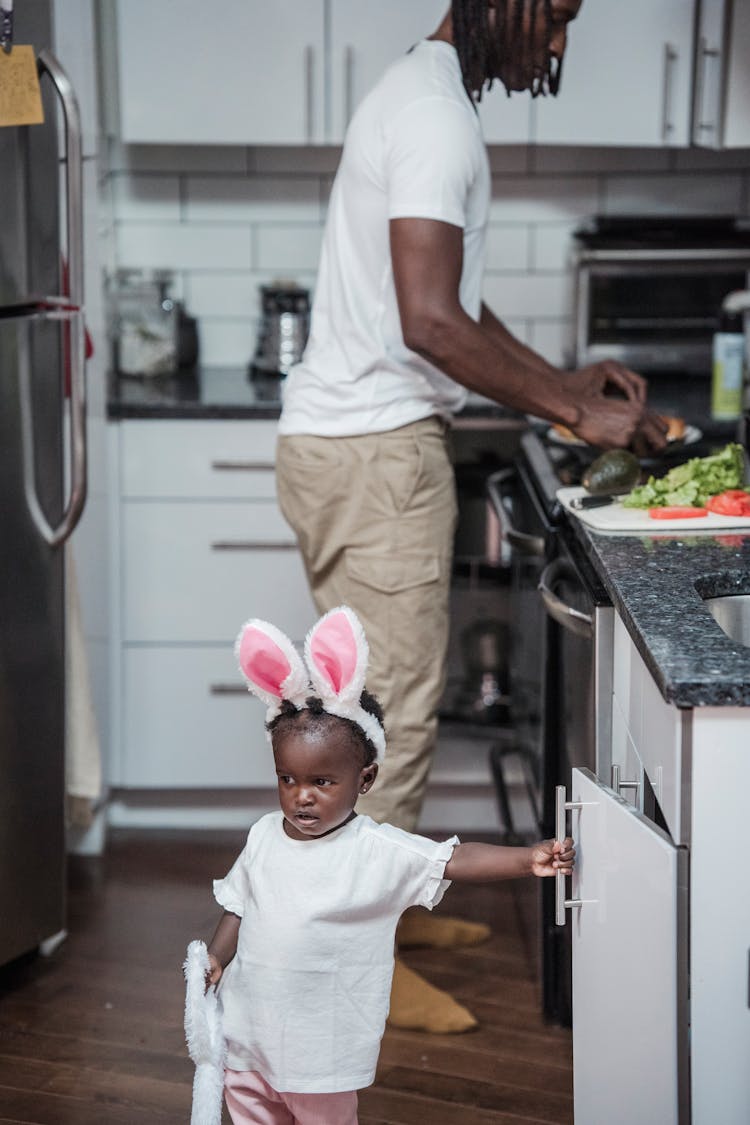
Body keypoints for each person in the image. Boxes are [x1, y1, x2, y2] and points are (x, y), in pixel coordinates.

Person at [274, 0, 666, 1031]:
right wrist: (570, 409)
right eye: (559, 15)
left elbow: (449, 298)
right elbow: (431, 320)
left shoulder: (422, 91)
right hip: (375, 453)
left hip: (343, 449)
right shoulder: (437, 117)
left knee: (365, 703)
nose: (560, 42)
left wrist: (561, 382)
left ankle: (384, 913)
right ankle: (358, 957)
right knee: (386, 720)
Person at [200, 606, 575, 1125]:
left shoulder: (375, 850)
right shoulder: (264, 836)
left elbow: (452, 859)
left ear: (365, 779)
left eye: (322, 783)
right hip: (250, 1034)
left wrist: (527, 858)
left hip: (320, 1051)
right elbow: (237, 905)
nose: (302, 797)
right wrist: (216, 961)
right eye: (288, 779)